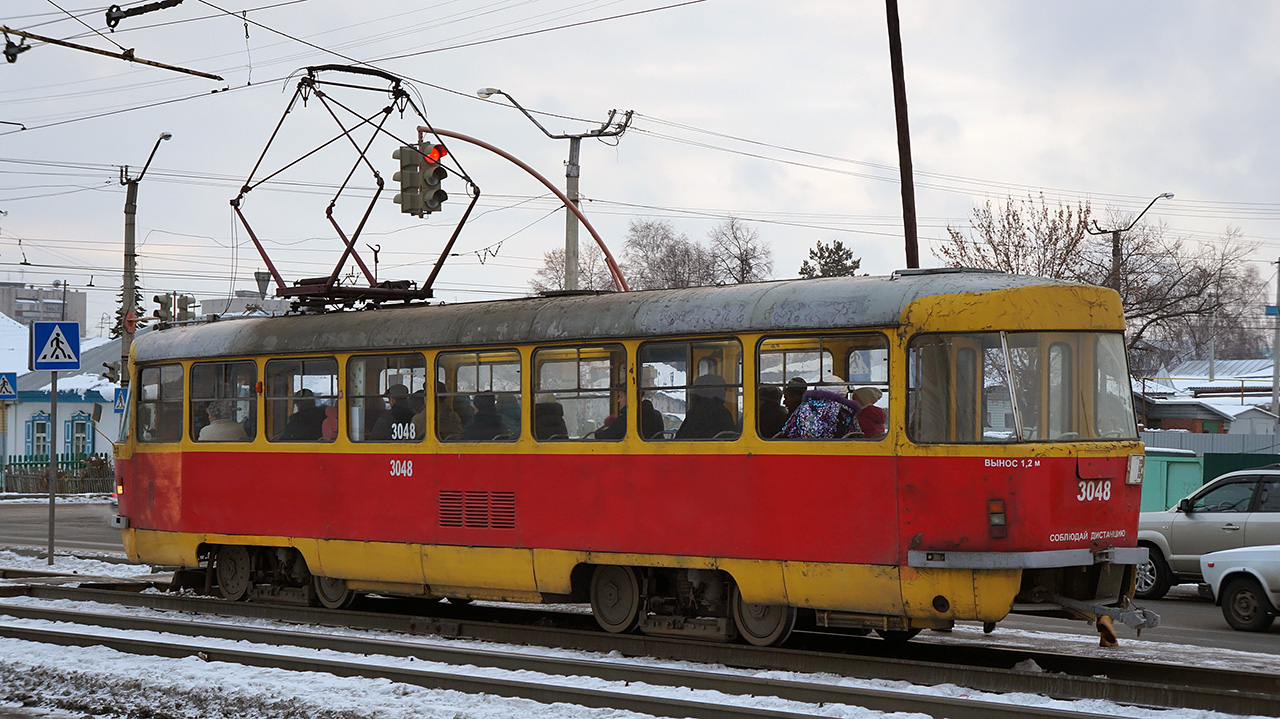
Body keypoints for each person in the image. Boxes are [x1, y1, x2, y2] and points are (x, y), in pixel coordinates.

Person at [676, 374, 738, 440]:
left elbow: (683, 438)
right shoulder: (723, 412)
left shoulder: (697, 412)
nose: (724, 392)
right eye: (723, 389)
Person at [781, 388, 861, 439]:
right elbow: (856, 435)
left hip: (805, 451)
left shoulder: (805, 407)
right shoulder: (847, 411)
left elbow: (788, 431)